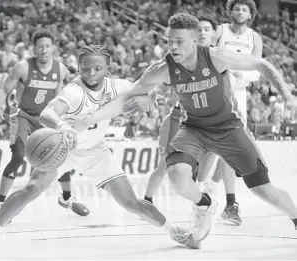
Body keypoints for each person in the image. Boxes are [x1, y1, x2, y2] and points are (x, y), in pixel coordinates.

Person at [0, 45, 199, 258]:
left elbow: (150, 91)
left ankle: (175, 231)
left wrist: (147, 99)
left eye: (97, 69)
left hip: (95, 151)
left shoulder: (119, 86)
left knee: (132, 203)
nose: (91, 73)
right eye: (85, 68)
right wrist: (63, 127)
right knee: (32, 188)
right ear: (79, 68)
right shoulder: (74, 90)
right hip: (64, 148)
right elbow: (48, 113)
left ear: (107, 70)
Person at [114, 13, 297, 244]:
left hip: (228, 127)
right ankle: (204, 203)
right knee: (176, 173)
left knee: (262, 189)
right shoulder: (163, 68)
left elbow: (261, 64)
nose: (173, 46)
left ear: (195, 41)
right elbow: (133, 91)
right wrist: (146, 97)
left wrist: (288, 97)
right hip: (195, 127)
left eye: (179, 41)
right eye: (169, 40)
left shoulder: (216, 57)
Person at [0, 29, 88, 221]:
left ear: (53, 48)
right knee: (18, 156)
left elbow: (59, 99)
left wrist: (65, 122)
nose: (44, 50)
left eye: (48, 46)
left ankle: (66, 198)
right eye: (40, 47)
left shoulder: (60, 70)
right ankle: (0, 203)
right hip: (24, 117)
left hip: (46, 119)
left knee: (58, 156)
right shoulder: (23, 67)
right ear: (34, 49)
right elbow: (4, 90)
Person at [196, 0, 263, 226]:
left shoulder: (254, 38)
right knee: (213, 146)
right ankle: (204, 190)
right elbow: (205, 53)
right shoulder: (220, 31)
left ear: (250, 14)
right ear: (231, 12)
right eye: (236, 8)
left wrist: (239, 76)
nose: (240, 11)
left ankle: (227, 201)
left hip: (239, 95)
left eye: (244, 9)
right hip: (217, 91)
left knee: (228, 146)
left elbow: (257, 68)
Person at [143, 14, 218, 204]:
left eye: (205, 30)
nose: (202, 33)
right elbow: (157, 88)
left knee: (214, 150)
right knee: (164, 166)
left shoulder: (215, 59)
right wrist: (153, 97)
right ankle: (147, 201)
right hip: (176, 119)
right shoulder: (175, 61)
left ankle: (204, 191)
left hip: (200, 122)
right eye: (198, 30)